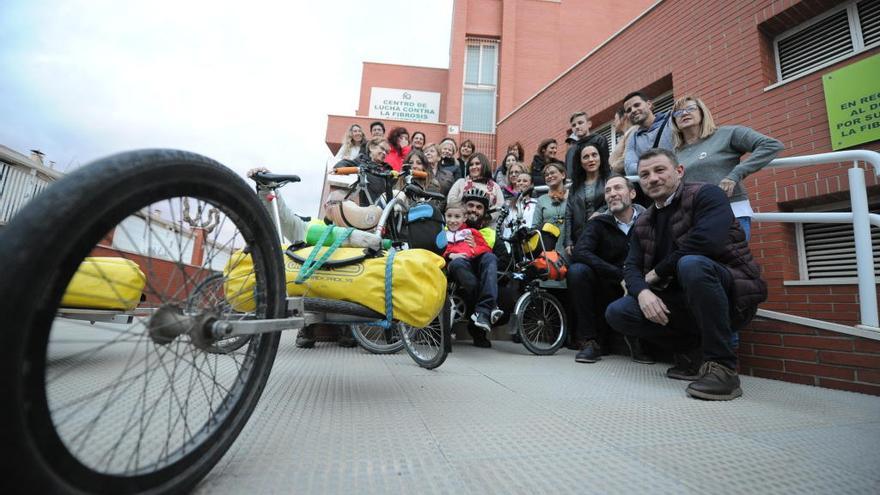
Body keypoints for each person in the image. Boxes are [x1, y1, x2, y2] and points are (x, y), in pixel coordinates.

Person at [605, 148, 768, 401]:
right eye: (645, 174)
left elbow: (705, 243)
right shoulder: (644, 221)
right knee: (618, 311)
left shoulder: (707, 195)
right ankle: (691, 352)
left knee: (692, 264)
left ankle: (723, 368)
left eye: (660, 170)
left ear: (679, 171)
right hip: (682, 303)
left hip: (732, 294)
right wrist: (643, 293)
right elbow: (631, 267)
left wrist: (656, 273)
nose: (653, 178)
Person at [246, 166, 355, 349]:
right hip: (309, 286)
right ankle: (307, 328)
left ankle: (344, 327)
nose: (339, 209)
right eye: (334, 204)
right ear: (326, 207)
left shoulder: (352, 235)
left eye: (343, 205)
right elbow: (283, 216)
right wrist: (267, 188)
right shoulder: (309, 226)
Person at [670, 95, 783, 241]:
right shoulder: (674, 153)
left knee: (733, 262)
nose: (684, 113)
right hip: (693, 218)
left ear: (702, 112)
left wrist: (735, 174)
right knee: (697, 263)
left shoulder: (727, 134)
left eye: (690, 108)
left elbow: (772, 146)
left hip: (731, 211)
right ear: (674, 121)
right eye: (678, 113)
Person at [568, 175, 649, 363]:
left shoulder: (648, 220)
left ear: (633, 193)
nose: (612, 194)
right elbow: (580, 251)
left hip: (641, 283)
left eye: (618, 188)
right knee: (577, 271)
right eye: (608, 191)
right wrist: (618, 274)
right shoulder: (598, 223)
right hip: (608, 283)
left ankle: (641, 341)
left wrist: (633, 278)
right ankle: (589, 341)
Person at [446, 188, 503, 346]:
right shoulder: (451, 227)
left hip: (482, 274)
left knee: (490, 258)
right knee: (458, 264)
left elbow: (500, 258)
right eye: (470, 205)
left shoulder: (489, 234)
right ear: (464, 210)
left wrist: (476, 249)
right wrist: (449, 255)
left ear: (484, 212)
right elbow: (438, 249)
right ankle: (486, 309)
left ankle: (481, 317)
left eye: (479, 207)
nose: (474, 210)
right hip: (456, 273)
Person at [562, 142, 610, 258]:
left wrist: (601, 212)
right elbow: (568, 214)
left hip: (606, 235)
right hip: (581, 238)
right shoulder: (575, 186)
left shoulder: (610, 179)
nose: (591, 159)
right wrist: (568, 241)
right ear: (580, 162)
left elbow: (616, 202)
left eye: (594, 155)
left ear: (600, 157)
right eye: (586, 157)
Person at [622, 91, 674, 175]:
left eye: (637, 105)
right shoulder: (633, 138)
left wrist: (645, 169)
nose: (633, 110)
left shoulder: (671, 121)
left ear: (649, 104)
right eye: (629, 110)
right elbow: (630, 168)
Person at [447, 153, 506, 221]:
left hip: (487, 226)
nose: (474, 167)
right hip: (461, 224)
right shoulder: (461, 182)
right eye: (471, 165)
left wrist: (487, 217)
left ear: (484, 165)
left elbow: (500, 205)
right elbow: (451, 200)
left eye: (477, 164)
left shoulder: (495, 186)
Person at [532, 162, 568, 257]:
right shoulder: (541, 200)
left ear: (563, 175)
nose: (549, 176)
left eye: (552, 173)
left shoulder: (572, 196)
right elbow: (535, 227)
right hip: (547, 252)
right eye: (546, 175)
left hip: (568, 248)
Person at [565, 111, 608, 181]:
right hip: (576, 187)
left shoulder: (599, 140)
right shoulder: (570, 150)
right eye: (574, 125)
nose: (577, 127)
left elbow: (604, 165)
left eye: (580, 123)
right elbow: (569, 174)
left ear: (589, 124)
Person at [609, 107, 636, 174]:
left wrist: (610, 171)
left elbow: (626, 158)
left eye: (615, 119)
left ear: (624, 117)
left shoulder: (633, 131)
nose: (614, 123)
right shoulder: (626, 135)